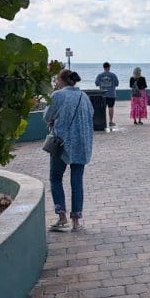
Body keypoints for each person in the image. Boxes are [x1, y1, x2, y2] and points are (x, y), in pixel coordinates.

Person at [45, 69, 94, 232]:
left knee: (55, 178)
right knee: (77, 181)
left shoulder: (58, 95)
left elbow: (46, 116)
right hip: (81, 144)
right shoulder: (84, 97)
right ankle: (76, 222)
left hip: (62, 144)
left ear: (61, 80)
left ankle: (61, 217)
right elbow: (91, 115)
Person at [94, 62, 119, 129]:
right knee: (111, 107)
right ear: (109, 67)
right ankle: (110, 121)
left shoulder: (99, 75)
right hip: (111, 94)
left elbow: (96, 83)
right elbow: (117, 84)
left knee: (102, 108)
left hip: (102, 94)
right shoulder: (113, 75)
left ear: (103, 67)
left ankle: (102, 121)